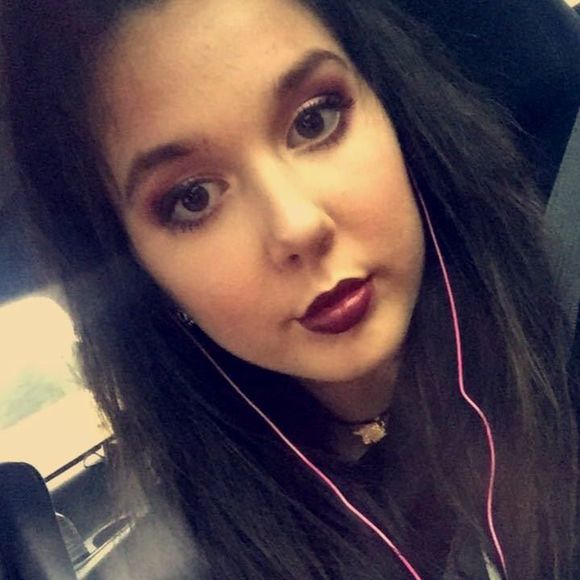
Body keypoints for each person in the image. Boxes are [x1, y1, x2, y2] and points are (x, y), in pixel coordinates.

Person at [0, 0, 577, 578]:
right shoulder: (205, 555)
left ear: (393, 109)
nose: (297, 225)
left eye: (315, 120)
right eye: (193, 198)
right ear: (144, 275)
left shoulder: (563, 311)